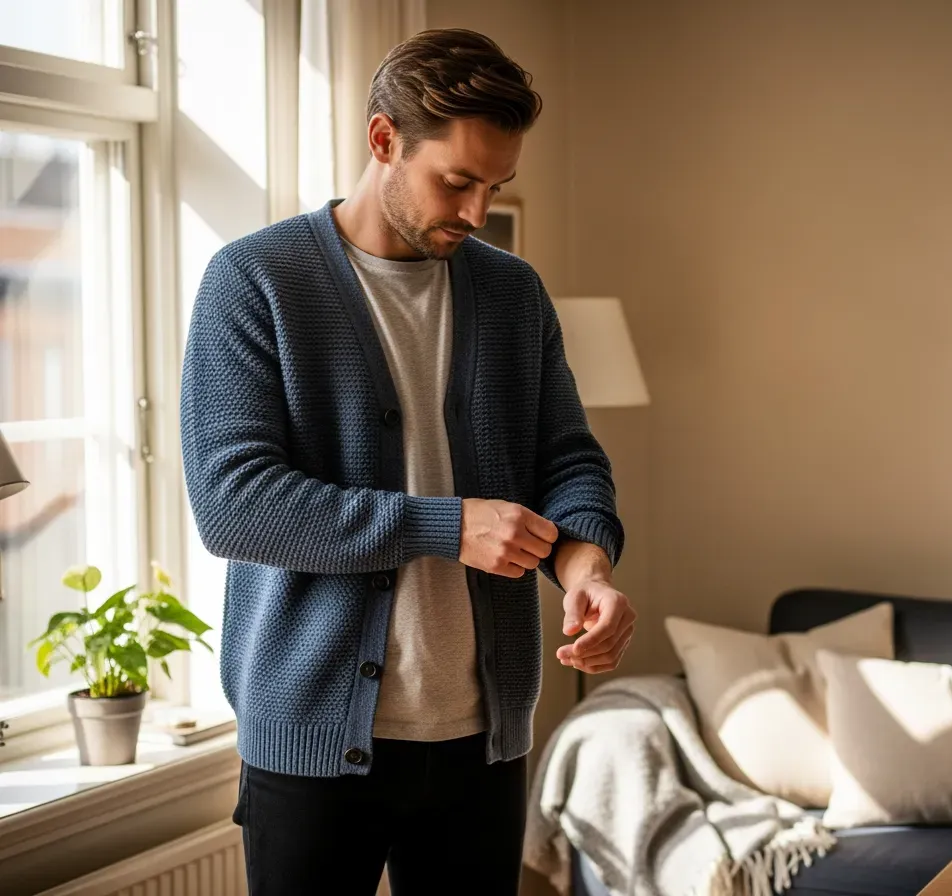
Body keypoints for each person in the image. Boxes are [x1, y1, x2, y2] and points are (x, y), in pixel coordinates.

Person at [179, 28, 635, 895]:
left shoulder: (513, 293)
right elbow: (234, 504)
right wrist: (447, 523)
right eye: (456, 181)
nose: (475, 212)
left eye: (495, 187)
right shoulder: (254, 280)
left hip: (482, 737)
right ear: (383, 140)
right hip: (312, 743)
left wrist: (588, 567)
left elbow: (568, 460)